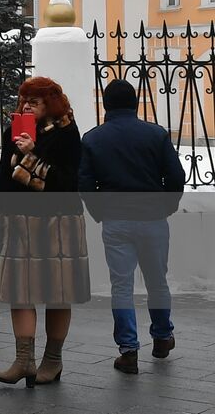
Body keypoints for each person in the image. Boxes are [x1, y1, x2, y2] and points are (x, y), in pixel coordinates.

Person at [79, 79, 186, 375]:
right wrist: (166, 206)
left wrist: (100, 212)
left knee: (121, 285)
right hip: (153, 218)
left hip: (116, 220)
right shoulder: (155, 134)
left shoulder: (93, 138)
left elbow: (85, 183)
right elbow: (176, 177)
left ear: (106, 105)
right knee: (157, 280)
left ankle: (128, 351)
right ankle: (162, 337)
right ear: (136, 103)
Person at [0, 76, 89, 387]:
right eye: (24, 100)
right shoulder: (14, 130)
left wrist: (31, 155)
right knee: (19, 292)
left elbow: (65, 183)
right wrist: (0, 212)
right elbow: (4, 178)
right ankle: (24, 360)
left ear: (51, 103)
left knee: (58, 294)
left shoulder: (67, 133)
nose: (27, 106)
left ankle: (53, 360)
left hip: (57, 223)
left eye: (35, 101)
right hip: (19, 222)